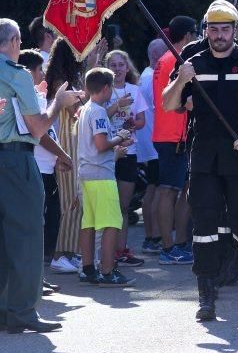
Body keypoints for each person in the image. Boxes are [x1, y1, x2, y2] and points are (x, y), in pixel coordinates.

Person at [163, 0, 238, 320]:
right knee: (203, 225)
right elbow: (168, 104)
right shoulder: (191, 59)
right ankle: (206, 294)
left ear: (234, 30)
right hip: (203, 155)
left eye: (225, 29)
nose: (219, 35)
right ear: (206, 31)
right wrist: (181, 80)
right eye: (213, 29)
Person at [0, 18, 82, 332]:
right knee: (26, 237)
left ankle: (5, 308)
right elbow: (37, 126)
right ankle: (22, 311)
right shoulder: (16, 74)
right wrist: (58, 102)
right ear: (13, 42)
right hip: (15, 161)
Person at [46, 35, 107, 274]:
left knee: (76, 200)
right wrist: (94, 64)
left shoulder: (67, 79)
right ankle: (61, 254)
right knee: (70, 201)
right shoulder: (61, 81)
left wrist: (95, 62)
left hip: (73, 143)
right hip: (66, 144)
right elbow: (78, 109)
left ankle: (69, 252)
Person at [76, 67, 136, 287]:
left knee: (89, 223)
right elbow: (101, 145)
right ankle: (108, 271)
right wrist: (119, 138)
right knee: (112, 222)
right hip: (101, 174)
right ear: (105, 88)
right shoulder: (99, 111)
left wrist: (115, 145)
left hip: (86, 173)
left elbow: (96, 144)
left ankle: (88, 268)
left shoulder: (86, 109)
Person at [152, 16, 196, 266]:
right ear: (188, 36)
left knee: (181, 191)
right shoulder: (176, 60)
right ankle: (168, 247)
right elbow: (175, 101)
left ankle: (179, 243)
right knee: (168, 191)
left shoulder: (165, 59)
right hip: (173, 136)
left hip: (172, 135)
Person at [104, 50, 146, 267]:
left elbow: (141, 120)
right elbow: (96, 116)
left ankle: (121, 250)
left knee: (123, 206)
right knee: (106, 205)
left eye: (121, 65)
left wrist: (132, 124)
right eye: (113, 64)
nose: (117, 69)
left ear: (127, 68)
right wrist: (116, 107)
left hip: (128, 151)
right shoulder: (102, 90)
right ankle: (104, 252)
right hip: (105, 152)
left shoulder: (134, 90)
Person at [137, 39, 168, 254]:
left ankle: (152, 235)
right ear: (157, 55)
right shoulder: (150, 78)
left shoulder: (146, 76)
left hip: (150, 142)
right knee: (156, 188)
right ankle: (154, 236)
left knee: (153, 187)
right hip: (155, 142)